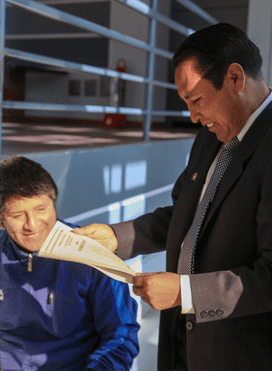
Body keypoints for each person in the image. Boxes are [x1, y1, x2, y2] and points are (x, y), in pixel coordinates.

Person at [75, 23, 272, 370]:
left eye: (196, 100)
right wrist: (116, 237)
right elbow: (183, 217)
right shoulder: (211, 138)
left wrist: (186, 293)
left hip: (238, 354)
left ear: (235, 79)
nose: (193, 116)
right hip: (185, 344)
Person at [0, 156, 139, 371]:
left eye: (41, 209)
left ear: (54, 204)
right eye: (17, 215)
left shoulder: (93, 256)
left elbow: (122, 335)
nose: (32, 225)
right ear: (0, 220)